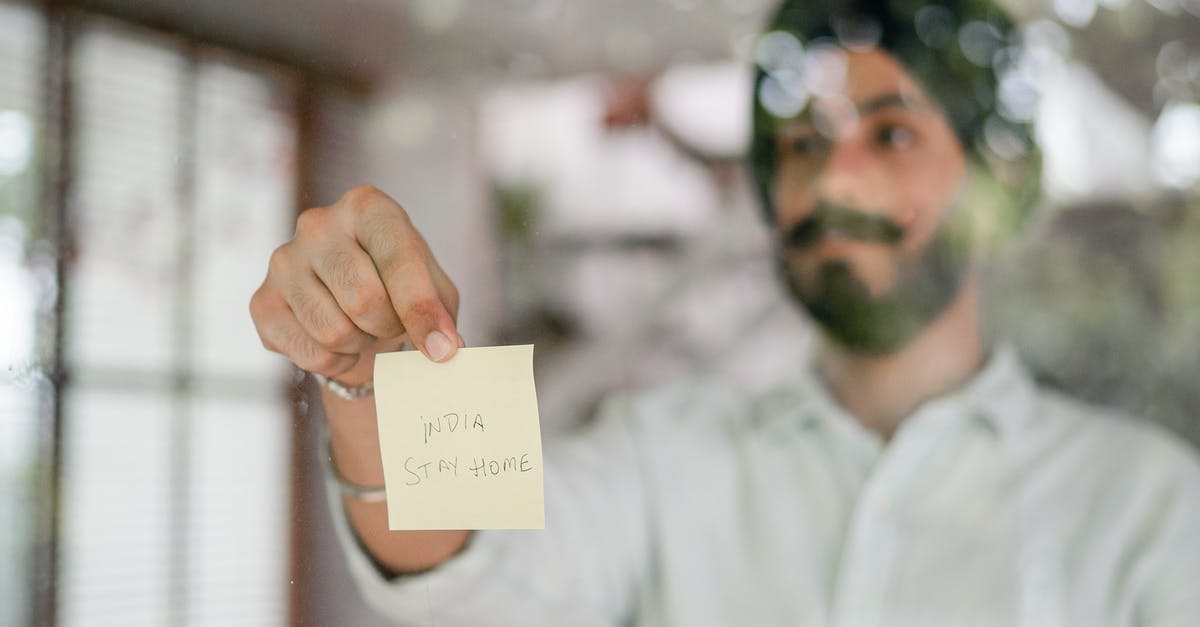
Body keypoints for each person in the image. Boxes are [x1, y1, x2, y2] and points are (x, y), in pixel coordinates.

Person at [249, 0, 1200, 624]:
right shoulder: (661, 453)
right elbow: (475, 579)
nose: (836, 174)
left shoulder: (1154, 507)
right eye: (798, 143)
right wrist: (373, 381)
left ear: (1007, 183)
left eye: (895, 131)